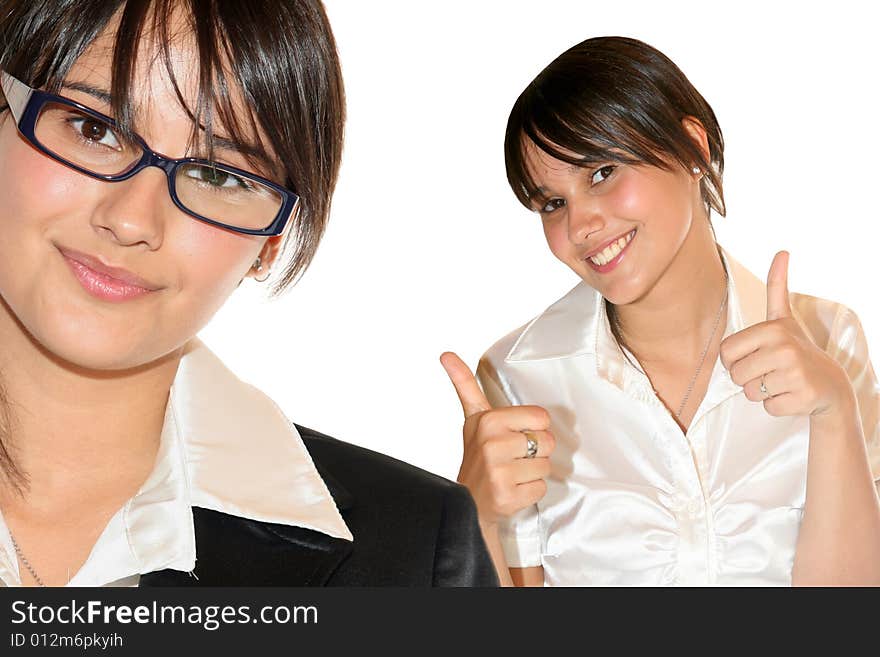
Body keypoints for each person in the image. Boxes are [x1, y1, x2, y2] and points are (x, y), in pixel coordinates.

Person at [0, 0, 497, 587]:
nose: (133, 220)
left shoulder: (414, 550)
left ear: (270, 242)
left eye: (219, 175)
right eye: (94, 128)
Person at [441, 36, 880, 586]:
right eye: (552, 203)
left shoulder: (829, 341)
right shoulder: (517, 378)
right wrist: (474, 515)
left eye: (601, 172)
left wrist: (834, 413)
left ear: (693, 149)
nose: (580, 227)